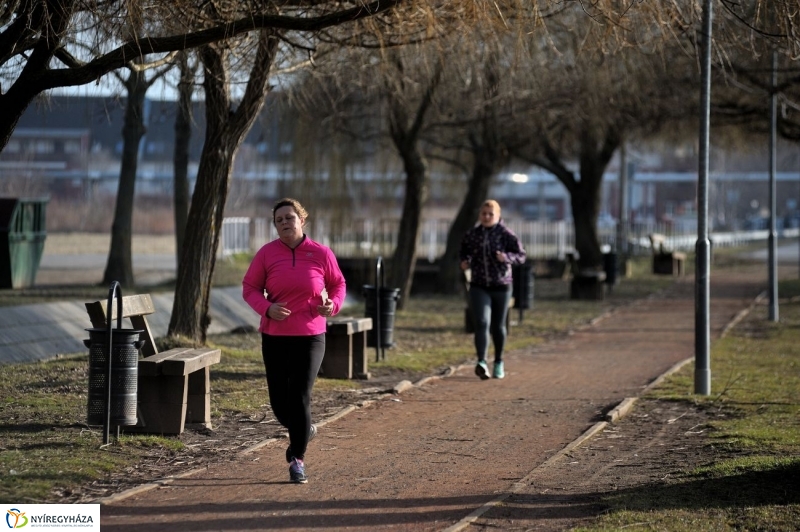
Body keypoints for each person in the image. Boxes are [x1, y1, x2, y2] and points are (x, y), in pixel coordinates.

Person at [242, 198, 346, 484]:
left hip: (311, 335)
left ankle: (297, 459)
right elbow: (250, 288)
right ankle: (304, 429)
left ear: (302, 219)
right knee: (279, 402)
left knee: (300, 395)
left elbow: (338, 284)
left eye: (290, 217)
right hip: (275, 336)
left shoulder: (321, 253)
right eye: (280, 220)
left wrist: (333, 305)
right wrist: (266, 308)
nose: (285, 222)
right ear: (275, 226)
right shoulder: (266, 254)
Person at [459, 199, 526, 380]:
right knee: (481, 322)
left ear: (498, 216)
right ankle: (481, 362)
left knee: (498, 326)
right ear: (479, 215)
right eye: (484, 214)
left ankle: (498, 361)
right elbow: (463, 251)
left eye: (491, 214)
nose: (487, 217)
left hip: (501, 286)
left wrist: (506, 257)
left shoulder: (506, 234)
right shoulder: (472, 234)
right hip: (479, 285)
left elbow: (521, 256)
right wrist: (464, 261)